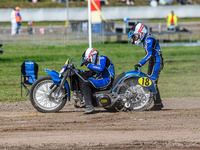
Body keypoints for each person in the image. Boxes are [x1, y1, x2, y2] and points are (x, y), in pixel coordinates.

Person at [128, 23, 164, 111]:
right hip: (153, 61)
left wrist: (140, 63)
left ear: (141, 32)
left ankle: (158, 104)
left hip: (157, 61)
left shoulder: (149, 40)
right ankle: (158, 103)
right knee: (150, 81)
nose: (135, 38)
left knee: (152, 81)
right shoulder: (146, 39)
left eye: (135, 36)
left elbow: (149, 54)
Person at [79, 48, 115, 114]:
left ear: (93, 56)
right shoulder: (96, 62)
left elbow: (101, 68)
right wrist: (80, 73)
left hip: (106, 80)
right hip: (101, 79)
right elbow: (91, 73)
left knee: (86, 84)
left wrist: (88, 65)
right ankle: (85, 100)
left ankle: (90, 107)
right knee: (85, 80)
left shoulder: (102, 58)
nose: (89, 61)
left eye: (89, 59)